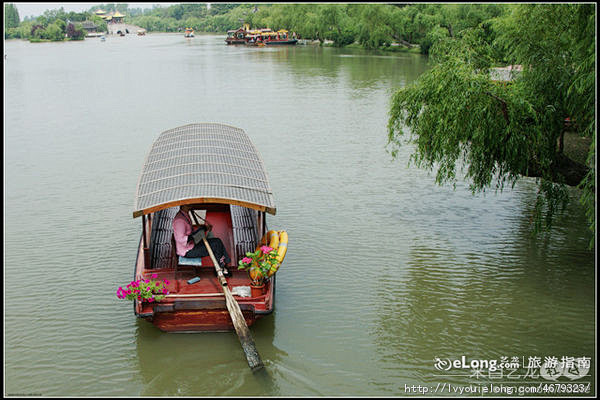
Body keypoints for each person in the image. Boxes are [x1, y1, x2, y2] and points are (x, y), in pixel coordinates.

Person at [173, 205, 231, 275]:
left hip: (191, 245)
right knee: (215, 245)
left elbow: (191, 232)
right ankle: (221, 268)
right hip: (188, 251)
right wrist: (198, 235)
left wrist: (203, 229)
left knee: (217, 241)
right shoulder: (179, 221)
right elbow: (180, 239)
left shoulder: (184, 215)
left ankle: (224, 263)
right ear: (183, 205)